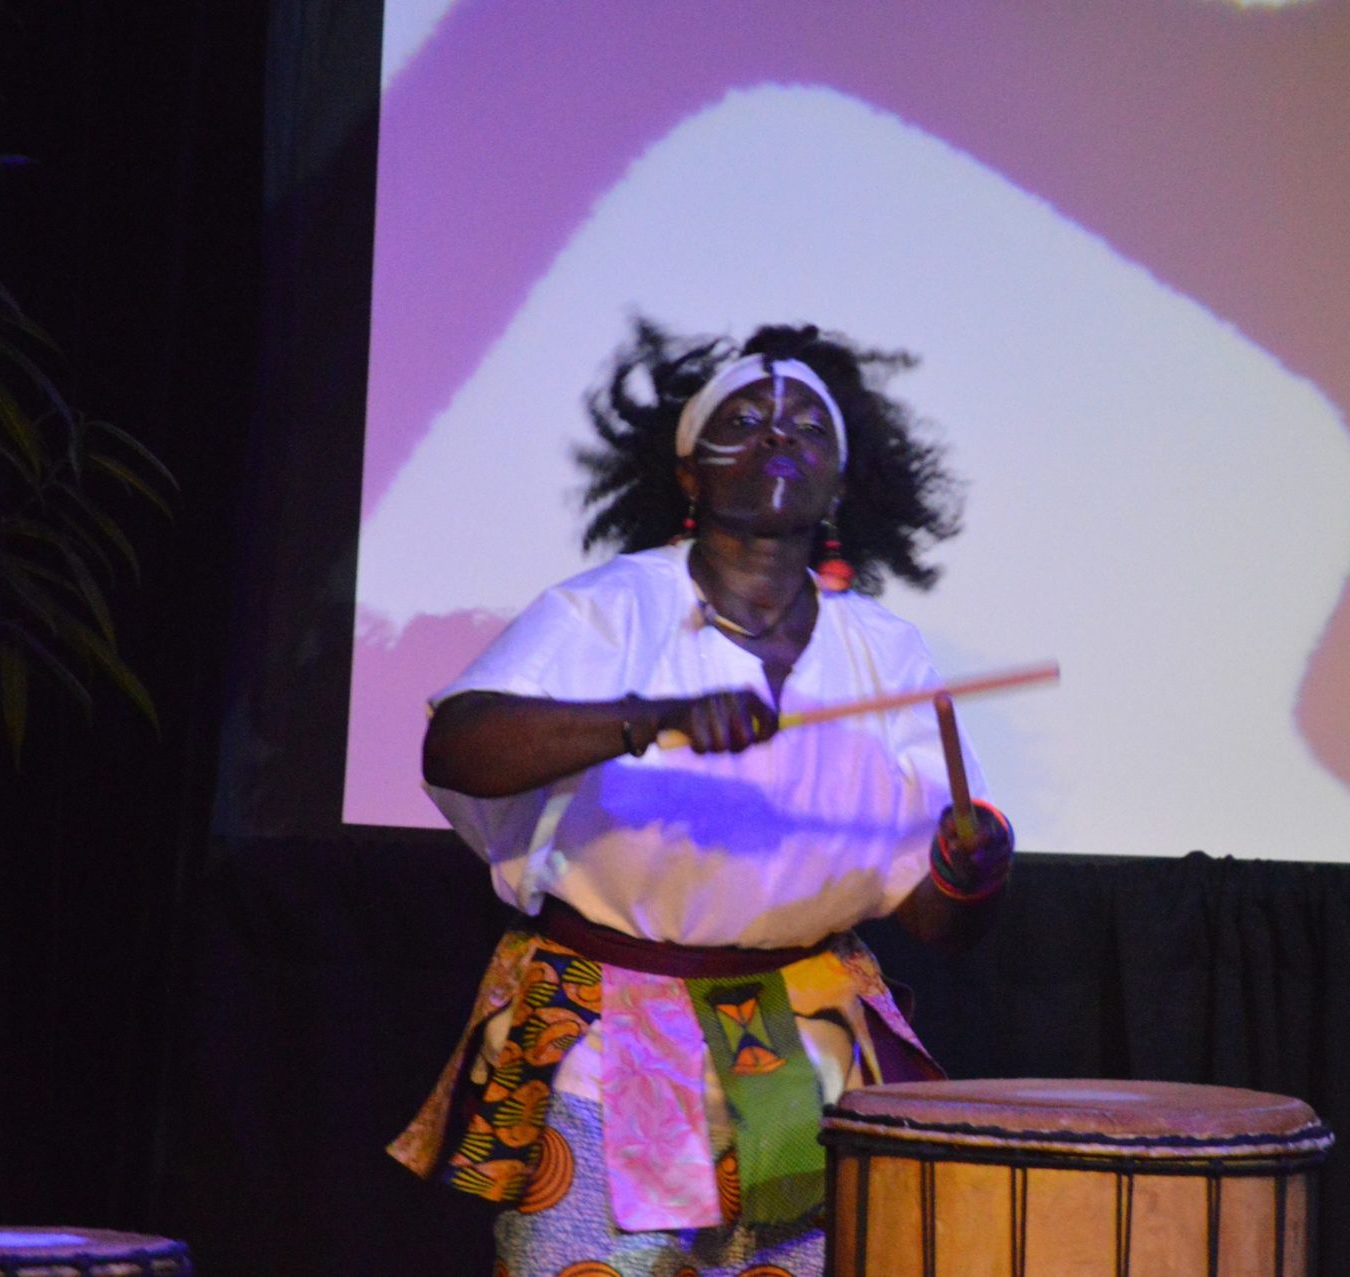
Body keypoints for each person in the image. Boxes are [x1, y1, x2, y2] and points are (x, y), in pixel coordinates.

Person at [388, 321, 1015, 1277]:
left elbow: (935, 919)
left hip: (794, 1050)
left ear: (840, 482)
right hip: (611, 1039)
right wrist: (653, 715)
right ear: (687, 473)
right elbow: (460, 741)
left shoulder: (884, 651)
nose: (778, 436)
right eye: (745, 421)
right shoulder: (605, 611)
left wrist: (971, 872)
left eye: (808, 425)